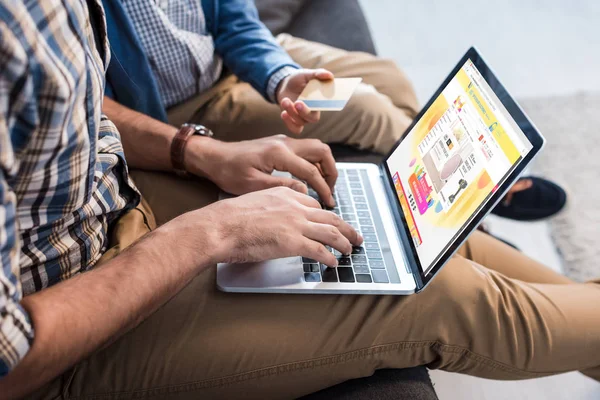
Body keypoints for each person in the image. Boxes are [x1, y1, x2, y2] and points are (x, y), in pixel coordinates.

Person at [2, 2, 598, 400]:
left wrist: (197, 153)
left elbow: (84, 108)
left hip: (118, 201)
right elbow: (11, 356)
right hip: (67, 331)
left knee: (401, 225)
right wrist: (207, 234)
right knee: (440, 295)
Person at [102, 0, 567, 222]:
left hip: (235, 63)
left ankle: (431, 194)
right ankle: (465, 210)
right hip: (182, 108)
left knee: (387, 76)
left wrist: (280, 77)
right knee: (370, 109)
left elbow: (234, 19)